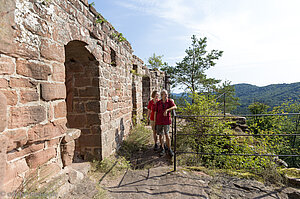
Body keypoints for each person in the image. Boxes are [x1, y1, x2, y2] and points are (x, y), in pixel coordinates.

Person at [154, 89, 177, 156]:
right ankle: (162, 148)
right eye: (165, 94)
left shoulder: (169, 101)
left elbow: (175, 107)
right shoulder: (158, 103)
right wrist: (155, 122)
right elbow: (155, 112)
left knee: (167, 135)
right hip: (159, 121)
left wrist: (167, 110)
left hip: (166, 121)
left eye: (167, 94)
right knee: (160, 135)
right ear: (161, 95)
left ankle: (169, 149)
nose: (166, 95)